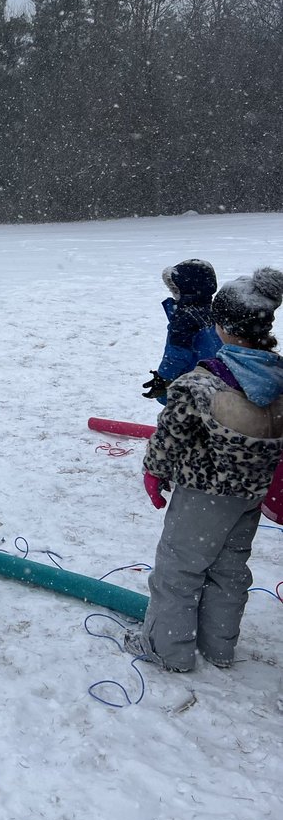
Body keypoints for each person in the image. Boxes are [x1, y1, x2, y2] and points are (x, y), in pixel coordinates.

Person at [126, 266, 283, 672]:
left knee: (178, 571)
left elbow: (170, 437)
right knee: (230, 571)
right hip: (250, 494)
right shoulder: (280, 379)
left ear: (224, 327)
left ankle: (168, 651)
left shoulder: (201, 383)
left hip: (203, 494)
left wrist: (153, 472)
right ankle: (219, 647)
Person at [142, 259, 221, 404]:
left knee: (183, 413)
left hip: (189, 382)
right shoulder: (214, 311)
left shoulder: (184, 319)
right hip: (214, 378)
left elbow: (177, 355)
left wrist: (163, 378)